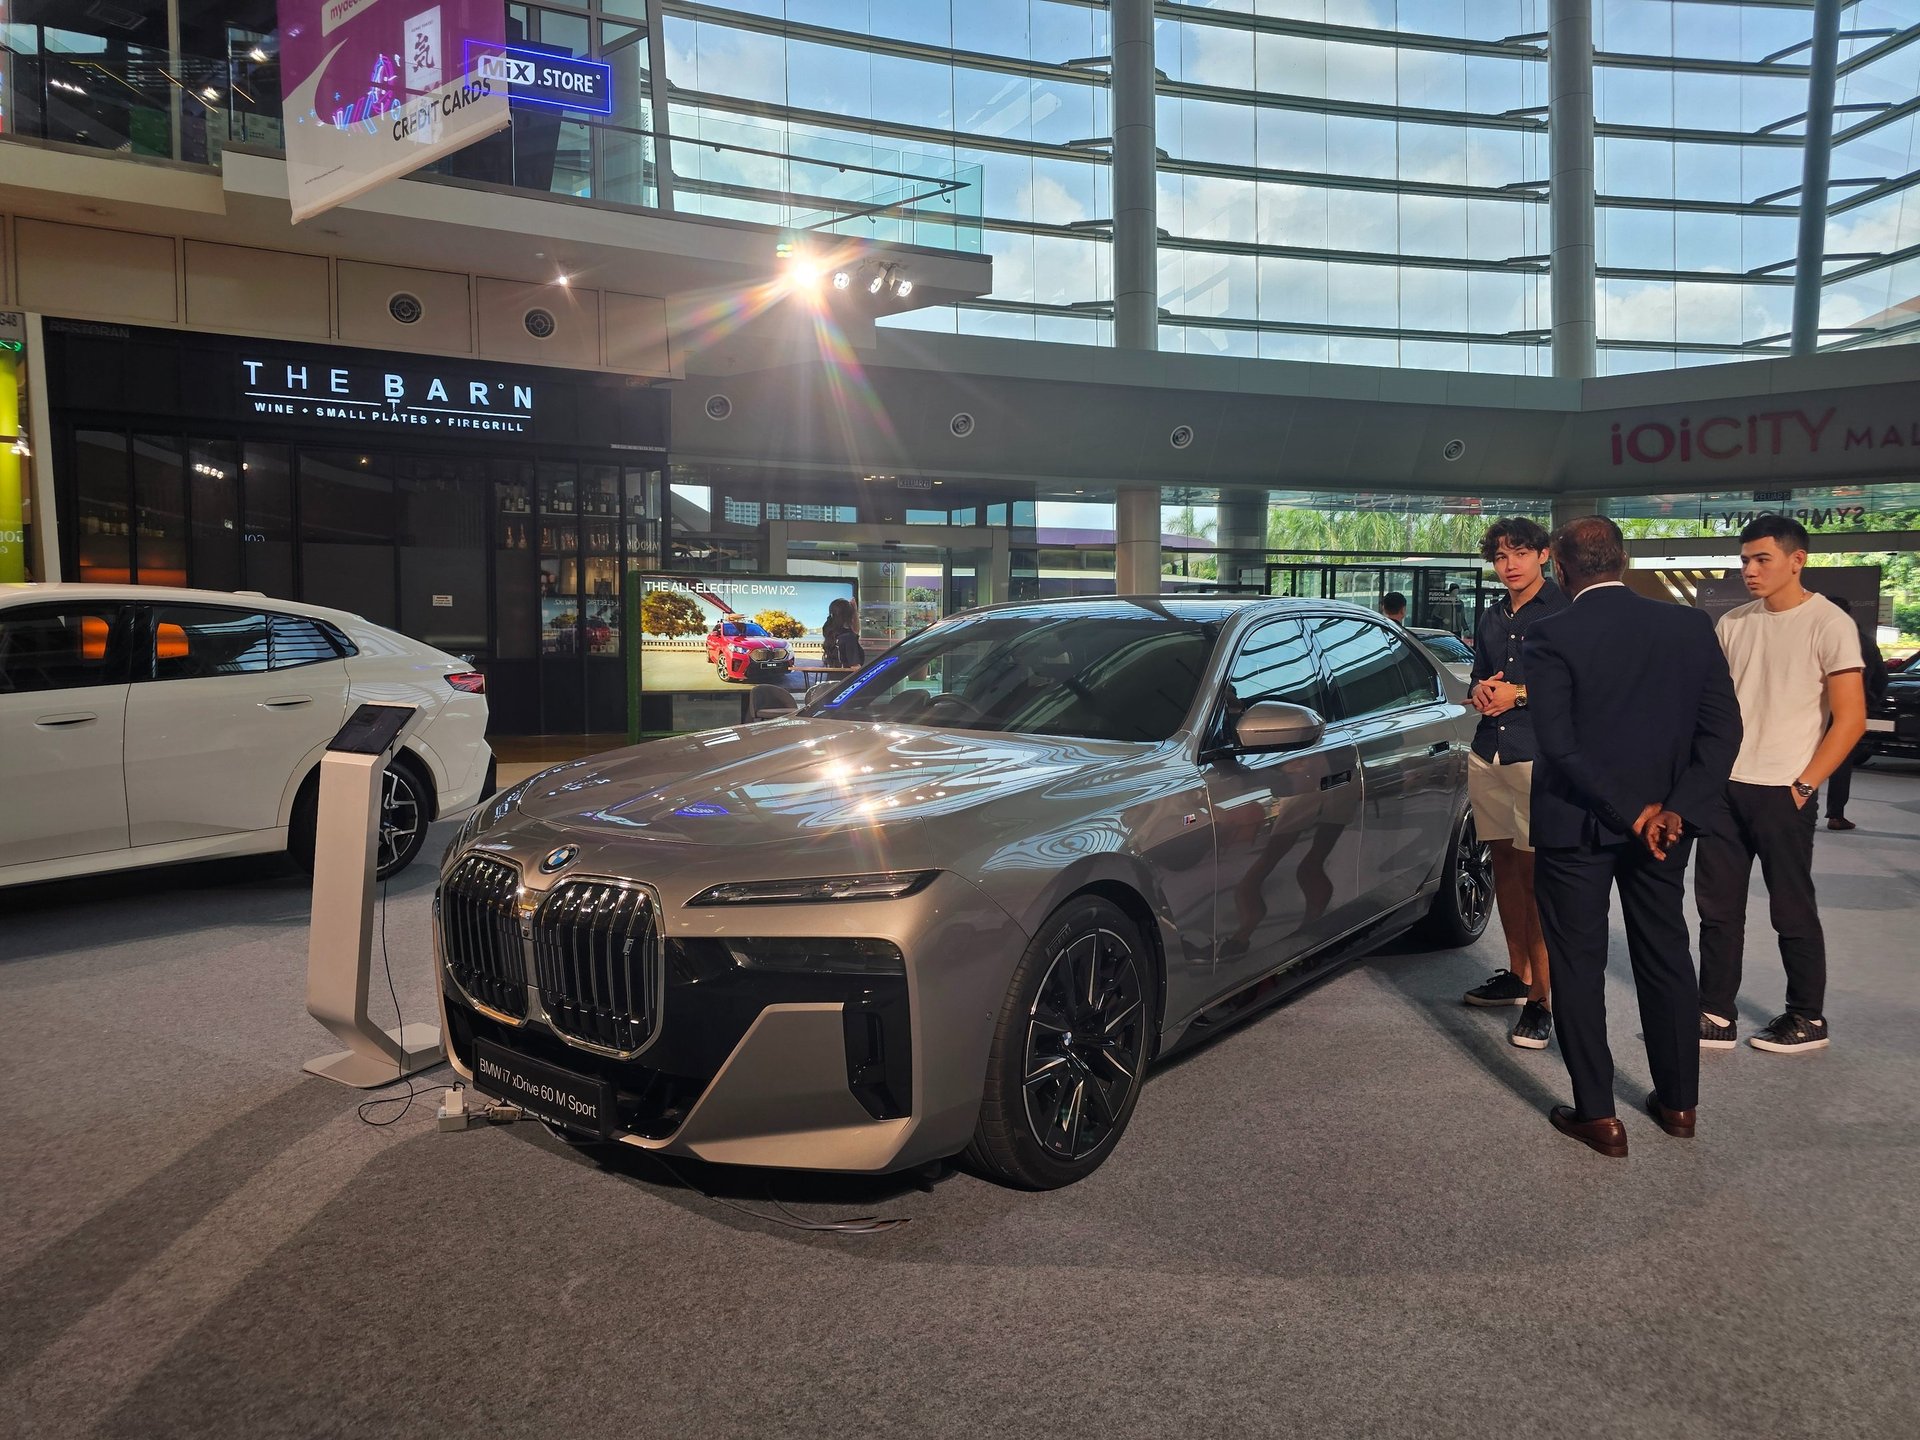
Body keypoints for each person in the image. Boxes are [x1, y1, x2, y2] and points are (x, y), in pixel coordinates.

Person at [1524, 516, 1742, 1157]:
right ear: (1623, 559)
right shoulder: (1687, 627)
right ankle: (1679, 1105)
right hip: (1664, 833)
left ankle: (1598, 1116)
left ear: (1561, 571)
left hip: (1577, 827)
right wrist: (1672, 811)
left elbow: (1560, 746)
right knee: (1666, 955)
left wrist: (1630, 812)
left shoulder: (1549, 635)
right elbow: (1722, 732)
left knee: (1578, 965)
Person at [1696, 517, 1868, 1054]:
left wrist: (1805, 783)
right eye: (1744, 559)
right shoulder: (1733, 624)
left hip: (1784, 788)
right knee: (1717, 909)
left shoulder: (1829, 622)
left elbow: (1851, 719)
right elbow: (1714, 708)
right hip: (1726, 787)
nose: (1749, 569)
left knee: (1790, 906)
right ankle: (1715, 1012)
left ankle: (1807, 1017)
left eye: (1762, 559)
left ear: (1798, 560)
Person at [1460, 516, 1567, 1051]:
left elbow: (1578, 689)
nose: (1510, 566)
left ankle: (1543, 998)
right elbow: (1484, 677)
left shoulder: (1566, 611)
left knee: (1534, 876)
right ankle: (1518, 974)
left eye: (1520, 554)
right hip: (1488, 751)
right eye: (1501, 557)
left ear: (1543, 555)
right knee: (1502, 864)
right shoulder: (1490, 616)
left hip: (1536, 755)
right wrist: (1481, 692)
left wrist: (1519, 696)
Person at [1817, 595, 1886, 831]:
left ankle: (1796, 806)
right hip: (1847, 711)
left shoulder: (1812, 636)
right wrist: (1867, 704)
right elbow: (1880, 679)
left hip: (1812, 711)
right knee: (1841, 763)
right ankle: (1836, 814)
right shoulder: (1865, 642)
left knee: (1803, 758)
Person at [821, 597, 866, 669]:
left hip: (833, 677)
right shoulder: (849, 638)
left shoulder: (833, 635)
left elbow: (856, 631)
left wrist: (854, 611)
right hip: (847, 678)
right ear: (849, 616)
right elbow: (855, 667)